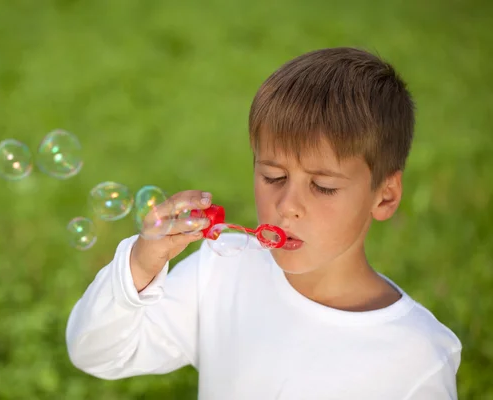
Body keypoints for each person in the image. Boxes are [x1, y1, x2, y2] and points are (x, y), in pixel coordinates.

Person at [65, 47, 462, 399]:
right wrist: (140, 265)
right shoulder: (225, 268)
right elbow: (97, 353)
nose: (287, 205)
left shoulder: (416, 358)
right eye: (273, 176)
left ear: (385, 195)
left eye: (322, 187)